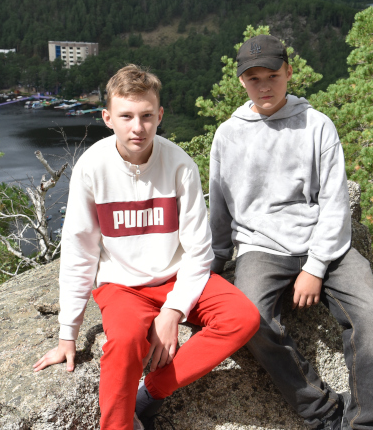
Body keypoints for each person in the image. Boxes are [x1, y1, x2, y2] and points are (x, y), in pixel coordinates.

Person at [33, 65, 259, 430]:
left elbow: (199, 251)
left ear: (160, 115)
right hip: (122, 286)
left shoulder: (180, 165)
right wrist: (67, 334)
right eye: (126, 116)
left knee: (242, 317)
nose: (137, 127)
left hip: (177, 276)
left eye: (146, 116)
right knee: (124, 343)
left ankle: (152, 391)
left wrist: (172, 312)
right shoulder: (92, 168)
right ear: (107, 118)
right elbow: (79, 253)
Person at [209, 35, 373, 430]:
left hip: (324, 244)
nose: (264, 86)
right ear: (241, 81)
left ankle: (369, 424)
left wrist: (315, 266)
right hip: (260, 247)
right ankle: (321, 411)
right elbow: (220, 206)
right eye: (254, 78)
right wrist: (215, 262)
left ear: (289, 73)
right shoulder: (228, 134)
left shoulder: (317, 125)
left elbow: (335, 202)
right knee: (250, 317)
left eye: (273, 76)